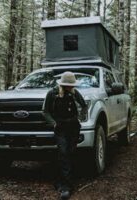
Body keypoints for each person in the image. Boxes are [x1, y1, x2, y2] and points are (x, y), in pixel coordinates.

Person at [42, 71, 87, 199]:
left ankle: (62, 180)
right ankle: (66, 187)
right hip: (60, 128)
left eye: (72, 85)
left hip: (73, 127)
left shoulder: (74, 93)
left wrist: (80, 118)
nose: (71, 87)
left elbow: (84, 106)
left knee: (71, 152)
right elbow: (45, 111)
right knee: (63, 152)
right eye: (69, 85)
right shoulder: (52, 93)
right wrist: (53, 123)